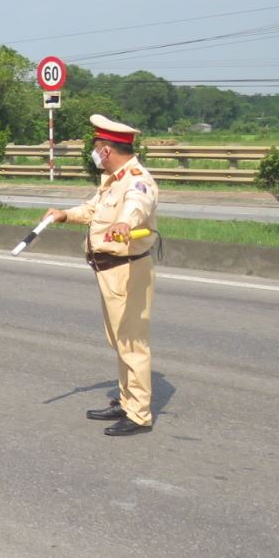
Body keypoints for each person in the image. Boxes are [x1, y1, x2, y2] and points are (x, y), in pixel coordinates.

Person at [42, 114, 160, 437]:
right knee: (119, 341)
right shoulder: (112, 181)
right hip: (108, 272)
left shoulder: (137, 179)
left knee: (132, 342)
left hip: (128, 271)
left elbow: (136, 205)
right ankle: (125, 400)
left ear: (107, 150)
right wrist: (64, 215)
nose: (95, 153)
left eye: (96, 147)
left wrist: (126, 223)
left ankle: (139, 414)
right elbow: (94, 210)